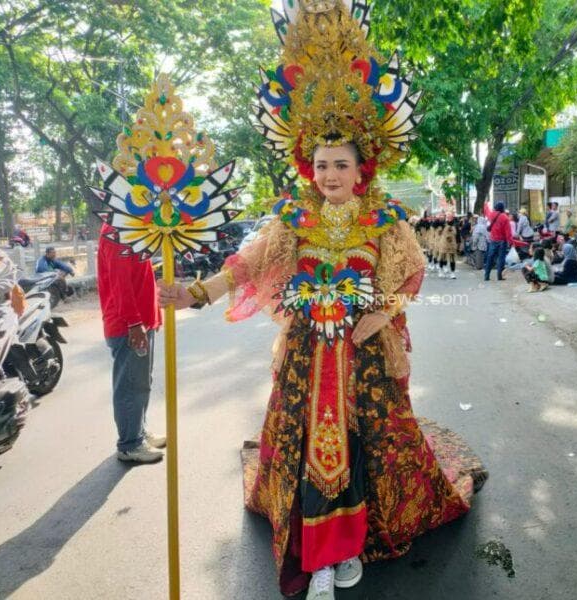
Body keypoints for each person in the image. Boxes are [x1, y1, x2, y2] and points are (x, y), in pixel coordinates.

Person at [159, 6, 486, 598]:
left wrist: (381, 315)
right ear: (308, 168)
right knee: (308, 443)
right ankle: (319, 550)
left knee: (366, 443)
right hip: (307, 355)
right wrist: (197, 292)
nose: (330, 174)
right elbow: (249, 263)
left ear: (362, 169)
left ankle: (350, 542)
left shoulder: (384, 219)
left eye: (341, 165)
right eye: (321, 165)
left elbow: (411, 274)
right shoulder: (293, 217)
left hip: (364, 353)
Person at [97, 222, 165, 464]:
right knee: (131, 386)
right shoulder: (116, 230)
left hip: (142, 321)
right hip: (129, 325)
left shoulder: (133, 224)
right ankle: (129, 444)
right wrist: (134, 322)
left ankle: (139, 431)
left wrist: (153, 316)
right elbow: (120, 283)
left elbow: (142, 276)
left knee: (142, 382)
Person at [484, 201, 513, 281]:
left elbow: (487, 212)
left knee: (490, 258)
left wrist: (486, 204)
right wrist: (510, 242)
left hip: (493, 240)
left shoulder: (492, 215)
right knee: (501, 259)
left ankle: (486, 276)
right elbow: (508, 232)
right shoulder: (505, 217)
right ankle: (499, 276)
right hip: (502, 241)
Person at [437, 211, 461, 279]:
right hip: (444, 243)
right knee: (442, 257)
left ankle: (452, 273)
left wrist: (458, 245)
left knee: (452, 259)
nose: (449, 217)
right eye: (448, 216)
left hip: (452, 244)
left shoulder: (456, 224)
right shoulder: (443, 224)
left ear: (452, 217)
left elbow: (458, 235)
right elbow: (439, 232)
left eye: (450, 216)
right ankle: (441, 270)